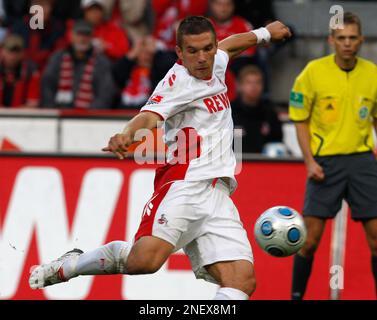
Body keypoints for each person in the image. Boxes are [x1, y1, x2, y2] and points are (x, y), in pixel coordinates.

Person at [29, 16, 291, 300]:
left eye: (207, 48)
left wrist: (265, 33)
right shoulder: (177, 83)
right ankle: (74, 264)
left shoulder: (215, 59)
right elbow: (149, 116)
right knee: (145, 262)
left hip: (219, 193)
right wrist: (127, 134)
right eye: (192, 51)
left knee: (242, 282)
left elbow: (231, 46)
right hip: (185, 185)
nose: (202, 58)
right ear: (179, 52)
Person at [289, 12, 377, 300]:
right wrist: (309, 161)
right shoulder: (313, 72)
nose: (347, 44)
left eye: (353, 38)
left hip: (363, 161)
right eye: (341, 38)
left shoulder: (372, 73)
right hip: (325, 163)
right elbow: (300, 119)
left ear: (361, 40)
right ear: (331, 40)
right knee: (309, 240)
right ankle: (296, 296)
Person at [41, 20, 115, 109]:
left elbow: (105, 93)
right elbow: (47, 86)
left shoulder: (101, 62)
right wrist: (52, 110)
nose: (82, 39)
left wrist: (90, 115)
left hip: (87, 118)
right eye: (79, 34)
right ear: (71, 36)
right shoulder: (57, 58)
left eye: (86, 35)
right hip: (58, 114)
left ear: (92, 38)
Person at [232, 65, 282, 153]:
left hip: (264, 163)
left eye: (258, 82)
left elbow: (278, 142)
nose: (254, 86)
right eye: (249, 82)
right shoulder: (230, 111)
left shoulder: (269, 112)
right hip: (236, 163)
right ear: (240, 86)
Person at [0, 34, 40, 108]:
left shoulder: (30, 71)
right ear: (2, 51)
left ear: (23, 53)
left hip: (22, 118)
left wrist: (12, 115)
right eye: (10, 51)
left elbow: (32, 104)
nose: (13, 56)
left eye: (17, 51)